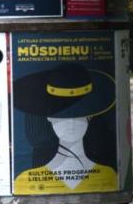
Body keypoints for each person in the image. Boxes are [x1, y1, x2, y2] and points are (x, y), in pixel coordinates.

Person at [12, 62, 118, 195]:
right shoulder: (25, 180)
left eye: (78, 116)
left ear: (89, 117)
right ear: (49, 118)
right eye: (61, 117)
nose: (71, 123)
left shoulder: (108, 175)